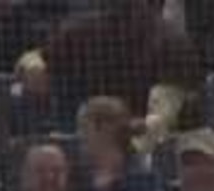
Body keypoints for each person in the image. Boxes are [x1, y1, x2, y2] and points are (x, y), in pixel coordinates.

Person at [29, 0, 198, 133]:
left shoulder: (171, 43)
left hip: (145, 143)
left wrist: (124, 133)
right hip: (91, 136)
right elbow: (34, 59)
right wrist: (34, 67)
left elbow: (161, 119)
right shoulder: (85, 32)